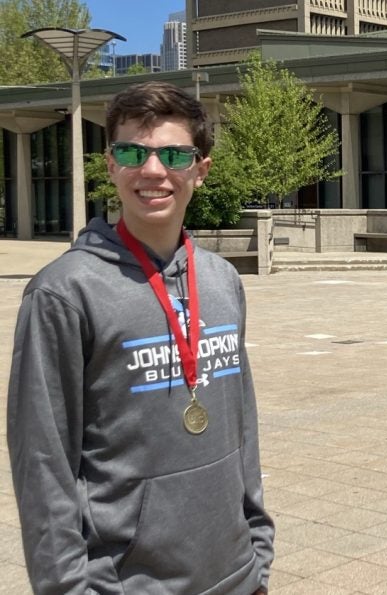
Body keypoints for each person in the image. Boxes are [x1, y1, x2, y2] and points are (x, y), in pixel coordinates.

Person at [7, 81, 274, 594]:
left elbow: (242, 427)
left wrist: (257, 553)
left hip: (236, 575)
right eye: (133, 152)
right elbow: (43, 462)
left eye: (174, 154)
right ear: (110, 165)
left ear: (200, 169)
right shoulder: (64, 293)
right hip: (125, 584)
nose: (153, 170)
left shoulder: (221, 281)